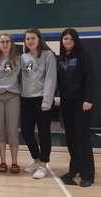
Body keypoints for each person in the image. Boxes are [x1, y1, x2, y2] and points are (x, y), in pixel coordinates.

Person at [56, 28, 95, 187]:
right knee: (71, 139)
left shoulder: (83, 56)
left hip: (81, 103)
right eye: (65, 39)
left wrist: (89, 99)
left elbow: (91, 78)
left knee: (82, 138)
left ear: (75, 40)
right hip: (67, 104)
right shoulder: (61, 58)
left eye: (70, 39)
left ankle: (88, 174)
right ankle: (74, 169)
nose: (67, 42)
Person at [20, 28, 57, 179]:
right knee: (26, 132)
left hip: (42, 100)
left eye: (32, 38)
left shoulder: (48, 55)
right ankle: (36, 160)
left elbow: (51, 78)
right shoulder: (23, 57)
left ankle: (43, 163)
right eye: (27, 39)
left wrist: (47, 101)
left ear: (39, 39)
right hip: (26, 100)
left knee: (43, 133)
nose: (30, 41)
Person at [0, 34, 21, 173]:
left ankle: (14, 162)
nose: (5, 44)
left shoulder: (18, 59)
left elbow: (23, 77)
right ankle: (2, 161)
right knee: (0, 129)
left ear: (11, 43)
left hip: (13, 96)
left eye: (7, 41)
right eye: (2, 42)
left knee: (12, 129)